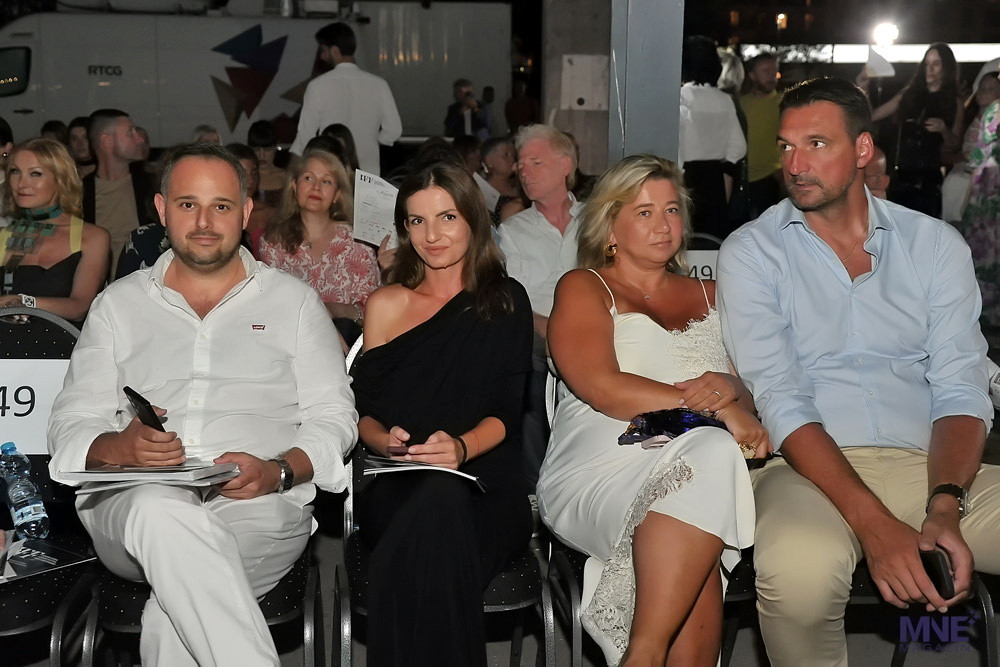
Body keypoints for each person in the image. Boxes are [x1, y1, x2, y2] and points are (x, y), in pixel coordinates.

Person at [717, 76, 1000, 667]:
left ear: (863, 149)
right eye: (787, 146)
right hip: (806, 471)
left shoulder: (933, 245)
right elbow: (780, 397)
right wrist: (875, 524)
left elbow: (961, 385)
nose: (796, 164)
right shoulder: (752, 251)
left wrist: (945, 504)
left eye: (816, 144)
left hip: (933, 465)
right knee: (799, 571)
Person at [47, 142, 359, 667]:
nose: (205, 222)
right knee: (159, 507)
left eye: (221, 206)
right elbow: (70, 422)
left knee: (172, 617)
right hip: (133, 501)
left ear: (246, 211)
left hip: (256, 505)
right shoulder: (118, 305)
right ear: (162, 209)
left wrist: (280, 471)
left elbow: (335, 417)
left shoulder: (294, 303)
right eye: (188, 204)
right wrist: (119, 447)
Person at [537, 154, 763, 666]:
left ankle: (643, 655)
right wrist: (717, 412)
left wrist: (731, 388)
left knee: (704, 486)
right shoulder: (585, 286)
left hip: (697, 464)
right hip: (603, 461)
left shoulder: (714, 295)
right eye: (644, 212)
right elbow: (603, 388)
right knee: (712, 457)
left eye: (671, 210)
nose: (663, 225)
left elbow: (753, 397)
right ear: (609, 227)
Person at [350, 159, 533, 667]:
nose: (431, 235)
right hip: (398, 479)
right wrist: (384, 441)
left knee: (440, 505)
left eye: (446, 217)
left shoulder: (505, 301)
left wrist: (460, 448)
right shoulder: (386, 304)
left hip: (484, 482)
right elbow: (364, 414)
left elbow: (507, 413)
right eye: (417, 221)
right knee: (433, 505)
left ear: (472, 219)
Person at [499, 123, 582, 486]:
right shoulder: (513, 231)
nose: (524, 171)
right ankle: (535, 487)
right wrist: (550, 328)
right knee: (526, 363)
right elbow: (514, 300)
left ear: (565, 166)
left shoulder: (597, 220)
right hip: (538, 331)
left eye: (535, 162)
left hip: (596, 329)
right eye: (521, 164)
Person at [258, 147, 378, 345]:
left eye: (326, 181)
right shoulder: (273, 242)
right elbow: (270, 307)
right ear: (294, 186)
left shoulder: (357, 242)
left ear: (337, 195)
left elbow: (374, 311)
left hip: (350, 342)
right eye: (309, 178)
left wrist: (333, 310)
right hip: (290, 342)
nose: (316, 187)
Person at [0, 138, 110, 325]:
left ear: (61, 179)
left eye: (35, 173)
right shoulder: (4, 235)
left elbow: (79, 307)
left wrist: (24, 302)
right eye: (15, 171)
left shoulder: (92, 237)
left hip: (64, 340)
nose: (21, 183)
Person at [863, 43, 963, 217]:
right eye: (927, 64)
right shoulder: (908, 94)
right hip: (900, 174)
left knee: (924, 227)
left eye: (936, 63)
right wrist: (864, 88)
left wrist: (943, 129)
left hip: (929, 179)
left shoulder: (954, 101)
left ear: (946, 67)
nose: (930, 69)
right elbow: (873, 115)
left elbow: (955, 143)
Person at [290, 22, 402, 175]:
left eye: (323, 51)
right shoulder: (379, 84)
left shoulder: (317, 85)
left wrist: (293, 172)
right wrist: (371, 141)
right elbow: (394, 131)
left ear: (334, 51)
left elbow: (305, 136)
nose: (322, 56)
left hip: (332, 173)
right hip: (368, 175)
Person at [679, 36, 747, 239]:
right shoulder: (725, 100)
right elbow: (739, 147)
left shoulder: (681, 98)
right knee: (711, 242)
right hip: (714, 180)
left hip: (685, 178)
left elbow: (678, 145)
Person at [83, 108, 157, 277]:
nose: (140, 139)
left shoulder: (151, 186)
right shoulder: (80, 193)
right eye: (130, 132)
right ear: (107, 141)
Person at [959, 92, 1000, 326]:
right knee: (982, 251)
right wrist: (968, 198)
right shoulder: (993, 110)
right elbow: (980, 154)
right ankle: (983, 318)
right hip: (985, 190)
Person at [942, 69, 1000, 222]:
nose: (983, 92)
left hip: (982, 188)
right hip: (957, 181)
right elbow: (945, 154)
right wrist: (962, 157)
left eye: (990, 89)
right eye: (981, 87)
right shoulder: (966, 118)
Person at [740, 52, 783, 218]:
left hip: (770, 178)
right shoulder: (741, 103)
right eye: (766, 71)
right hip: (742, 179)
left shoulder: (784, 103)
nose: (772, 76)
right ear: (752, 75)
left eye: (774, 71)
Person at [227, 142, 276, 256]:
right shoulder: (213, 216)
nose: (250, 181)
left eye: (254, 174)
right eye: (243, 174)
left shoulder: (271, 215)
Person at [477, 137, 524, 225]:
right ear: (489, 160)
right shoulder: (479, 191)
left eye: (513, 155)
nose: (512, 159)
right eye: (506, 155)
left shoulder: (521, 186)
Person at [247, 119, 286, 208]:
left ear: (276, 147)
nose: (262, 155)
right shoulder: (246, 178)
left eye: (267, 149)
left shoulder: (286, 177)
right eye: (256, 149)